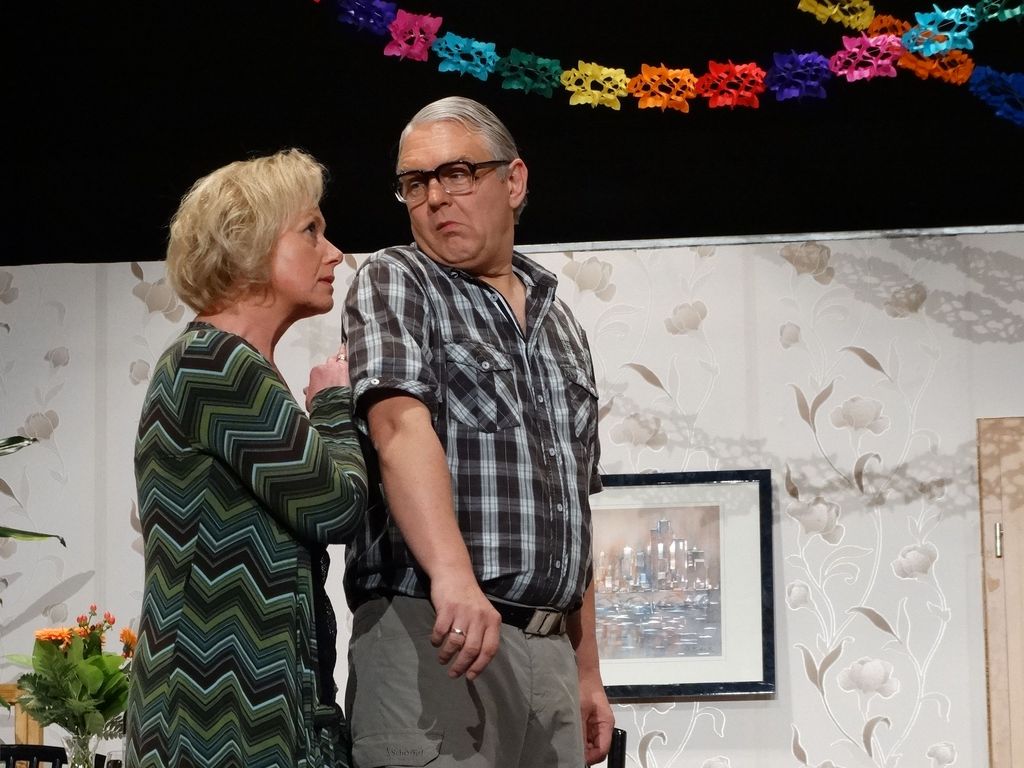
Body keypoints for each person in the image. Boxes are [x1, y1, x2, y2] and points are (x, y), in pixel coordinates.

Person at [343, 96, 614, 767]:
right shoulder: (399, 278)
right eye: (415, 183)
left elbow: (573, 506)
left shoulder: (561, 325)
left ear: (513, 181)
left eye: (457, 173)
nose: (436, 197)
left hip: (550, 655)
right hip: (435, 631)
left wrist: (587, 671)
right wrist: (454, 578)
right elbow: (398, 428)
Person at [126, 148, 367, 768]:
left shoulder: (228, 364)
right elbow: (336, 507)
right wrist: (333, 404)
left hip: (239, 720)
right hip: (214, 729)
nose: (333, 252)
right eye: (310, 230)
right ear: (247, 244)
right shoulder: (216, 362)